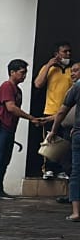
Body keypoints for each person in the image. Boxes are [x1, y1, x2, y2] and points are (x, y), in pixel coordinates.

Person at [0, 59, 41, 201]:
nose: (24, 76)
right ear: (12, 72)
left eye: (25, 73)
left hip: (8, 129)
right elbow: (11, 108)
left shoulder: (18, 91)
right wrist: (31, 118)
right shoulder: (7, 86)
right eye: (22, 72)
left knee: (4, 160)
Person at [46, 61, 80, 220]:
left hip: (78, 134)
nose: (73, 74)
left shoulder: (76, 88)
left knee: (76, 172)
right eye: (71, 71)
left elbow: (61, 112)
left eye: (76, 71)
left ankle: (76, 212)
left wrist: (53, 130)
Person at [33, 40, 72, 179]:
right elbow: (38, 84)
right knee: (50, 140)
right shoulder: (49, 68)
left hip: (67, 113)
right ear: (57, 54)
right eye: (64, 51)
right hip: (50, 110)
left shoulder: (72, 70)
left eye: (69, 51)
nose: (68, 54)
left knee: (64, 142)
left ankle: (61, 169)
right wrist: (49, 64)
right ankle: (48, 169)